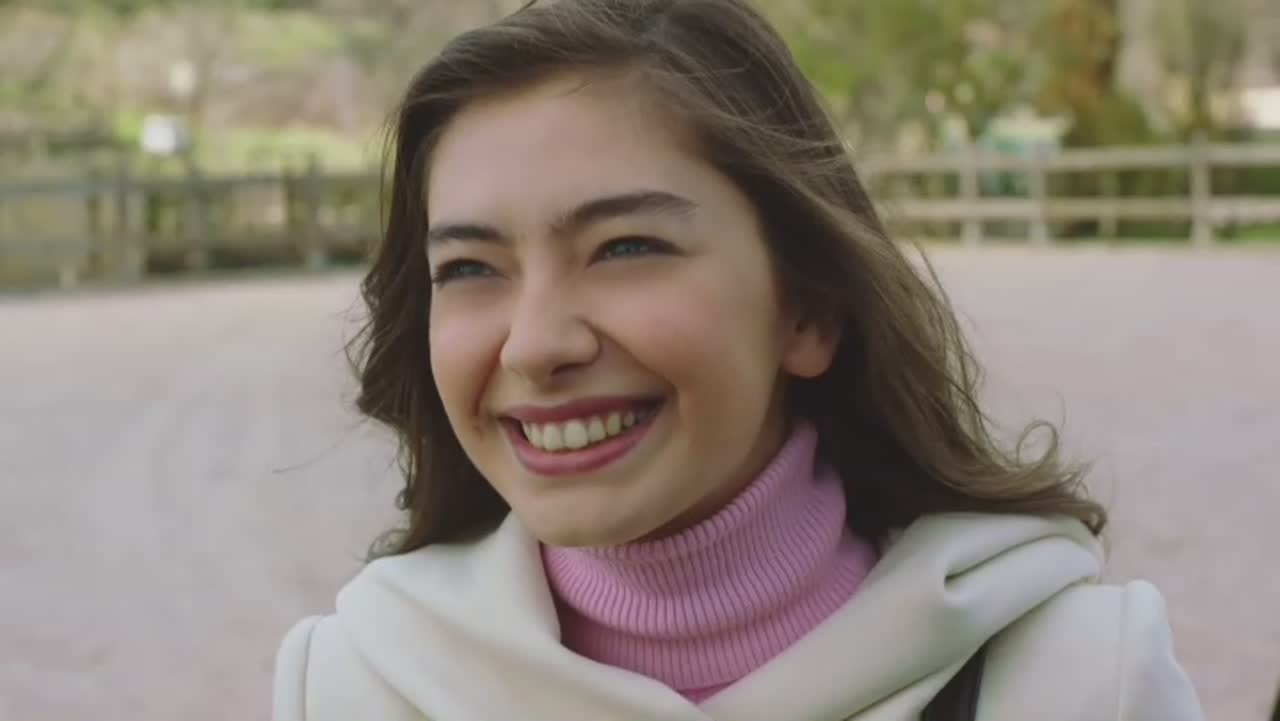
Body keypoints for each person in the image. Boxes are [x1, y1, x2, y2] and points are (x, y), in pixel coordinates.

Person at [272, 1, 1205, 719]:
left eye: (625, 247)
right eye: (471, 267)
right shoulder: (357, 685)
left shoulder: (1079, 680)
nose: (537, 343)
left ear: (809, 308)